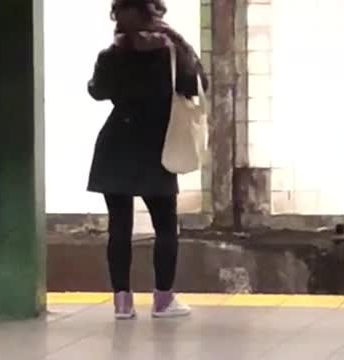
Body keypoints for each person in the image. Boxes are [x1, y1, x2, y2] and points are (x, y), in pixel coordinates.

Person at [87, 0, 209, 319]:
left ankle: (122, 302)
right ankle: (163, 299)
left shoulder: (111, 55)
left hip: (116, 146)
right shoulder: (170, 54)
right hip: (158, 147)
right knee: (166, 226)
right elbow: (199, 85)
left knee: (119, 227)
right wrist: (179, 41)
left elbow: (97, 91)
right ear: (153, 14)